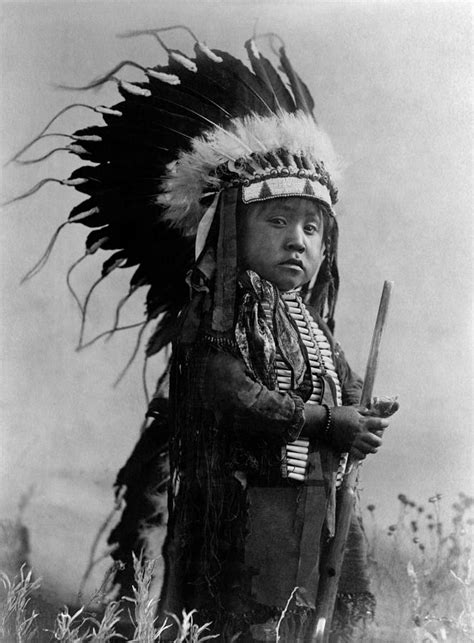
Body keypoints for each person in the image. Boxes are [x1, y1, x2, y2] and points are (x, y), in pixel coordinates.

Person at [13, 26, 398, 641]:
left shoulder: (317, 331)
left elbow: (341, 388)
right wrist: (327, 421)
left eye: (311, 228)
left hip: (315, 499)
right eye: (276, 220)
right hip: (243, 511)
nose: (297, 239)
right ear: (230, 232)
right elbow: (227, 389)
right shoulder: (218, 318)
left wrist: (361, 412)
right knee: (245, 623)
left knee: (324, 618)